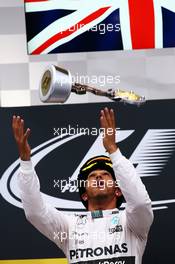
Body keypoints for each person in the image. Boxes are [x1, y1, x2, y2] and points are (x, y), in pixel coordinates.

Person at [12, 107, 153, 264]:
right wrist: (25, 162)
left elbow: (140, 202)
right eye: (92, 176)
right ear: (84, 195)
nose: (99, 176)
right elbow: (35, 212)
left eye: (106, 174)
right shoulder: (69, 228)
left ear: (118, 191)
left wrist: (113, 150)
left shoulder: (132, 223)